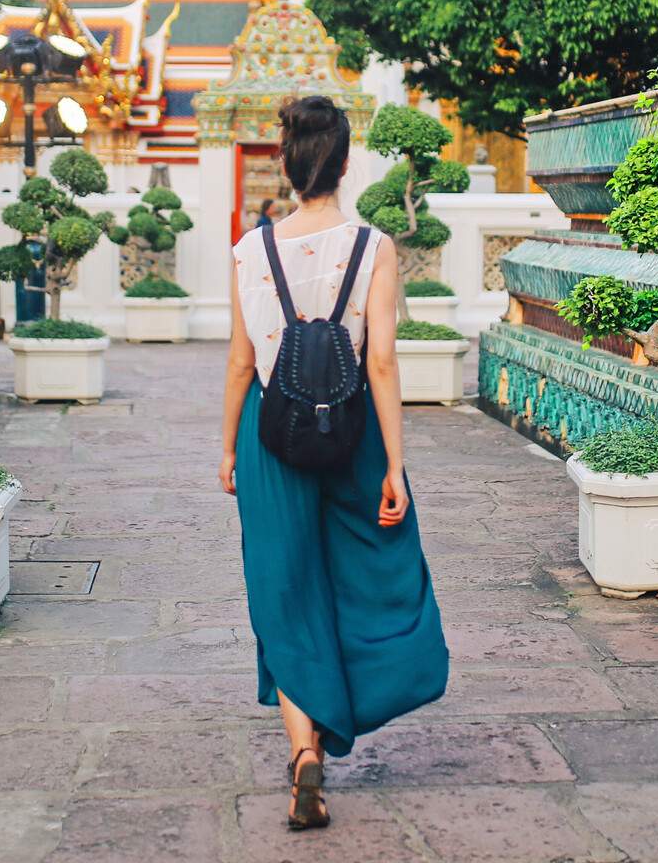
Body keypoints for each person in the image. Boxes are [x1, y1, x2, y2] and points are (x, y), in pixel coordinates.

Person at [219, 95, 448, 832]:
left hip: (271, 434)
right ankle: (358, 699)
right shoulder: (374, 246)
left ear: (284, 165)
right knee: (368, 574)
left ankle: (301, 752)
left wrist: (227, 448)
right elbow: (380, 362)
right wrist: (394, 465)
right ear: (346, 164)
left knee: (283, 588)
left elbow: (239, 362)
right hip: (352, 432)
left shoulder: (250, 250)